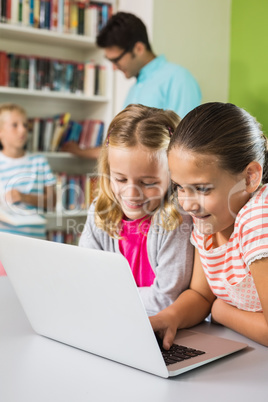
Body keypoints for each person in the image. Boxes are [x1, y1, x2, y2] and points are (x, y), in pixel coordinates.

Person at [150, 102, 268, 348]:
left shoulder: (258, 219)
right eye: (180, 187)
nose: (187, 204)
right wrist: (168, 318)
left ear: (249, 178)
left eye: (202, 189)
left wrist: (221, 311)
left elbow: (213, 304)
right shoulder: (210, 218)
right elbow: (201, 295)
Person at [79, 104, 194, 315]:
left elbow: (166, 299)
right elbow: (86, 280)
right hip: (112, 318)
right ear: (107, 171)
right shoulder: (100, 210)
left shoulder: (176, 218)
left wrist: (107, 298)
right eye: (120, 179)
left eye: (148, 183)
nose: (132, 194)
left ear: (173, 177)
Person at [62, 12, 201, 159]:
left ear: (139, 49)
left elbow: (183, 146)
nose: (115, 68)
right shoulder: (135, 88)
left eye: (116, 60)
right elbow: (122, 147)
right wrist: (79, 152)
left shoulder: (178, 78)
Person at [0, 103, 56, 240]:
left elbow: (52, 201)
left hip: (35, 240)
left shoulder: (39, 161)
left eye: (25, 125)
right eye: (15, 125)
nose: (22, 130)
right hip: (5, 241)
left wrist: (23, 197)